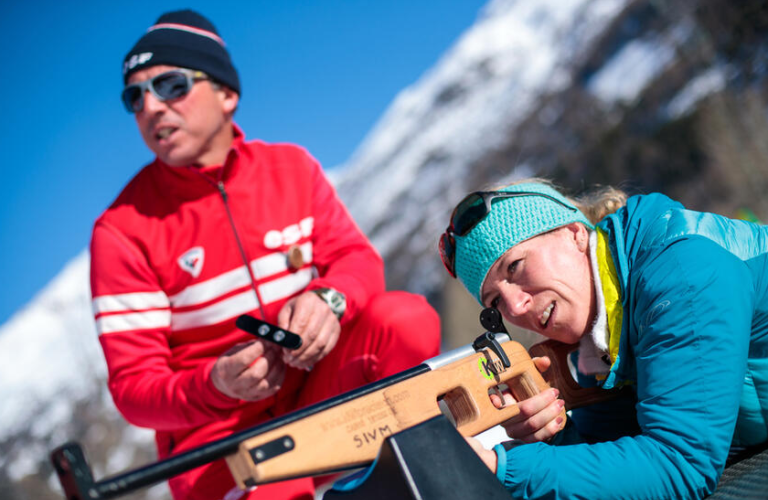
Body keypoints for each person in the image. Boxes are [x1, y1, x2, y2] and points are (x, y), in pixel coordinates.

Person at [90, 10, 441, 500]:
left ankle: (415, 470)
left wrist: (329, 301)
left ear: (226, 94)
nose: (150, 107)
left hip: (320, 391)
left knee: (405, 319)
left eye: (170, 85)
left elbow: (358, 261)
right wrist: (216, 383)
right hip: (218, 441)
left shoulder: (290, 168)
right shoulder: (121, 230)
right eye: (135, 96)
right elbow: (134, 391)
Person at [438, 179, 768, 499]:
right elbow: (615, 454)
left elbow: (680, 464)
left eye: (515, 267)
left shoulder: (680, 273)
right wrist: (551, 435)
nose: (515, 306)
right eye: (495, 301)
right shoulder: (596, 343)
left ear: (574, 234)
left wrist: (503, 468)